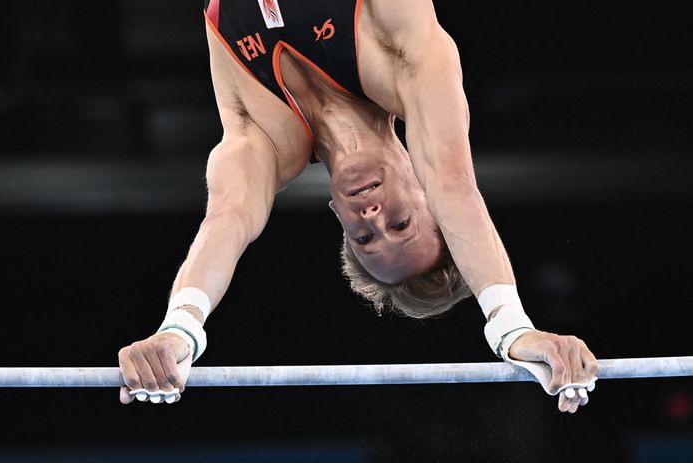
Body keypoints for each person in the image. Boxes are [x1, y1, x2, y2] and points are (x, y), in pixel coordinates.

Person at [118, 0, 598, 413]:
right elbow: (455, 183)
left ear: (337, 218)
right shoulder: (404, 56)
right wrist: (512, 328)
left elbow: (227, 217)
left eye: (365, 238)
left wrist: (179, 329)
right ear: (424, 185)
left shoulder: (262, 140)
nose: (372, 217)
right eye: (401, 222)